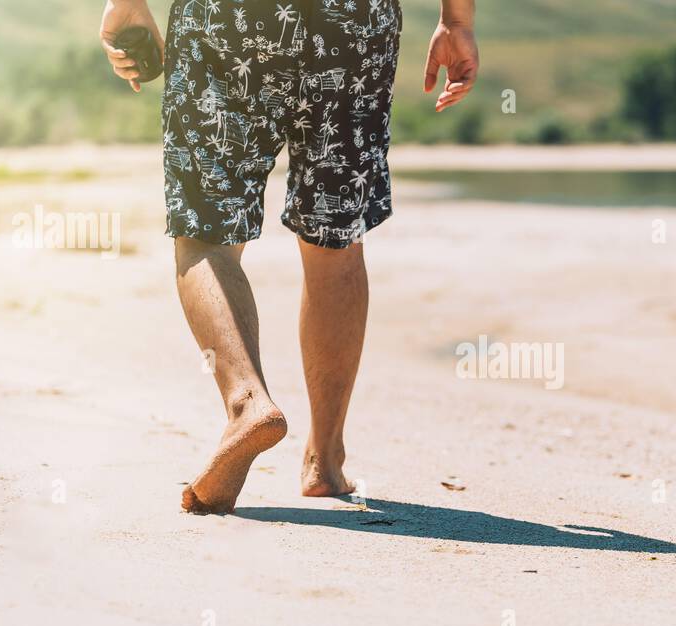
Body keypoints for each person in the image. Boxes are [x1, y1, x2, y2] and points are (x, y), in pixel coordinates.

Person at [99, 0, 479, 513]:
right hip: (354, 24)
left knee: (206, 232)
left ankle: (246, 403)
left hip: (229, 19)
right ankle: (324, 458)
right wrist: (456, 21)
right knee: (333, 239)